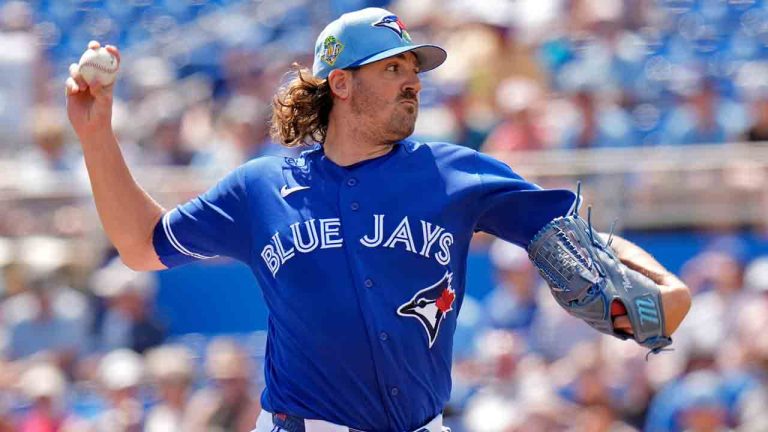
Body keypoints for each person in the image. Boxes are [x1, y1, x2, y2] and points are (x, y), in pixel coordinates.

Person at [65, 7, 691, 431]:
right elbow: (142, 245)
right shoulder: (261, 187)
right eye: (393, 68)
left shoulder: (455, 172)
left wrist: (663, 284)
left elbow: (573, 235)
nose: (412, 82)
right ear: (340, 83)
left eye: (415, 71)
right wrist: (96, 136)